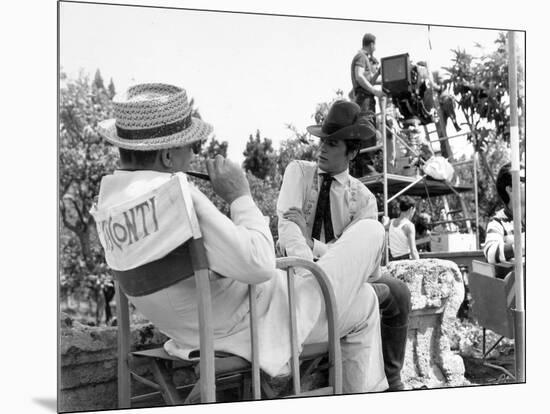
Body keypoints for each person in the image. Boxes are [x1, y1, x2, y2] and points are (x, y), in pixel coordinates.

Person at [92, 83, 388, 394]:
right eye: (189, 145)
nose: (194, 153)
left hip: (189, 332)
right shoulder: (179, 199)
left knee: (365, 297)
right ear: (167, 155)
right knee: (372, 235)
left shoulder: (110, 205)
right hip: (261, 326)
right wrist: (240, 196)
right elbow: (260, 264)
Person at [277, 100, 411, 391]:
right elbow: (287, 228)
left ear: (351, 151)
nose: (322, 149)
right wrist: (308, 263)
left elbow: (361, 260)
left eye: (332, 143)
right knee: (372, 294)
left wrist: (313, 245)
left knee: (398, 291)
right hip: (298, 274)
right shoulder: (298, 172)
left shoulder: (363, 198)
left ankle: (393, 378)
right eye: (323, 141)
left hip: (342, 275)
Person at [483, 162, 526, 264]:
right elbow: (491, 254)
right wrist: (522, 246)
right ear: (510, 189)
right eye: (524, 180)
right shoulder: (498, 222)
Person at [350, 33, 385, 124]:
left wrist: (378, 73)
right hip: (364, 99)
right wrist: (375, 91)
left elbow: (369, 81)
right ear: (372, 45)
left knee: (370, 130)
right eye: (375, 45)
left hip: (366, 99)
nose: (375, 48)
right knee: (366, 128)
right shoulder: (361, 56)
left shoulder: (364, 58)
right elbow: (359, 76)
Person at [387, 196, 420, 261]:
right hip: (405, 259)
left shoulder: (390, 222)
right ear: (411, 209)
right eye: (414, 211)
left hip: (392, 259)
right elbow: (413, 250)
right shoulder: (409, 226)